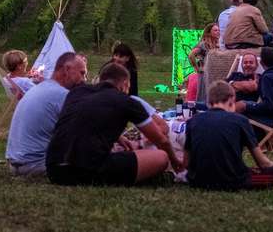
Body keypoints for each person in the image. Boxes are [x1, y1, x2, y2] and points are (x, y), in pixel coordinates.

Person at [46, 62, 183, 186]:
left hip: (54, 170)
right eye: (128, 86)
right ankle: (153, 179)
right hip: (86, 171)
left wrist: (119, 137)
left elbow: (79, 121)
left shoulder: (77, 92)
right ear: (124, 84)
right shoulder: (126, 102)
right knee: (161, 157)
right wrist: (175, 161)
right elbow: (161, 140)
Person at [184, 81, 273, 191]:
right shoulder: (240, 120)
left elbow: (186, 163)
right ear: (231, 100)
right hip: (233, 182)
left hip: (197, 181)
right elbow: (263, 163)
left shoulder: (193, 121)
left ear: (209, 103)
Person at [6, 52, 87, 177]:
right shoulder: (61, 94)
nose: (84, 80)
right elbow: (83, 132)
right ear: (66, 70)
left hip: (15, 163)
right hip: (35, 164)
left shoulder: (40, 88)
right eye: (82, 73)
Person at [188, 23, 219, 103]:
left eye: (218, 30)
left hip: (214, 74)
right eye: (215, 30)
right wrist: (197, 69)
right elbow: (191, 55)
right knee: (204, 96)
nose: (218, 32)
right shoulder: (203, 45)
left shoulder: (218, 45)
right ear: (209, 32)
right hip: (204, 75)